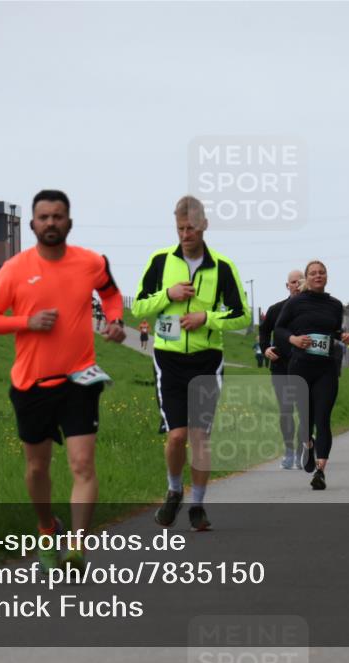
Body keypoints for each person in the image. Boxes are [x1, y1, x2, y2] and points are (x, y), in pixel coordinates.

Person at [0, 189, 126, 572]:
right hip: (30, 384)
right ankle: (47, 528)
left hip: (80, 379)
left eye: (58, 217)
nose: (51, 223)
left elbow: (110, 294)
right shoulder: (14, 269)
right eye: (44, 217)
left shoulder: (91, 262)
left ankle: (76, 546)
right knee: (37, 468)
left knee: (82, 465)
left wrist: (115, 321)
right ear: (31, 224)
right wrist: (26, 321)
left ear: (69, 222)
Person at [132, 195, 250, 530]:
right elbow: (138, 308)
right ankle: (173, 491)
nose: (186, 234)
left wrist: (206, 318)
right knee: (176, 436)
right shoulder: (160, 262)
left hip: (206, 361)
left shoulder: (223, 267)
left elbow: (241, 316)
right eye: (181, 228)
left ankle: (197, 505)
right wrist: (167, 295)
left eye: (192, 228)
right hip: (168, 360)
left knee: (199, 436)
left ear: (204, 226)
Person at [275, 260, 349, 490]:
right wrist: (294, 339)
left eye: (322, 273)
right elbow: (279, 329)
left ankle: (320, 470)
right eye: (313, 273)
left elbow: (335, 331)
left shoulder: (335, 305)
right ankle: (308, 445)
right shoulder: (295, 303)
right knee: (306, 418)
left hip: (326, 368)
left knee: (323, 418)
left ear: (327, 277)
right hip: (300, 367)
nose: (318, 276)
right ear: (306, 278)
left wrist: (344, 336)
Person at [259, 269, 304, 469]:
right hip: (280, 365)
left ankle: (303, 450)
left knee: (305, 411)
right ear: (287, 285)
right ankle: (289, 450)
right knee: (286, 410)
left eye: (299, 281)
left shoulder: (311, 308)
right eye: (292, 282)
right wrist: (265, 348)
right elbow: (263, 331)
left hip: (304, 366)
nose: (296, 285)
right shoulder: (276, 309)